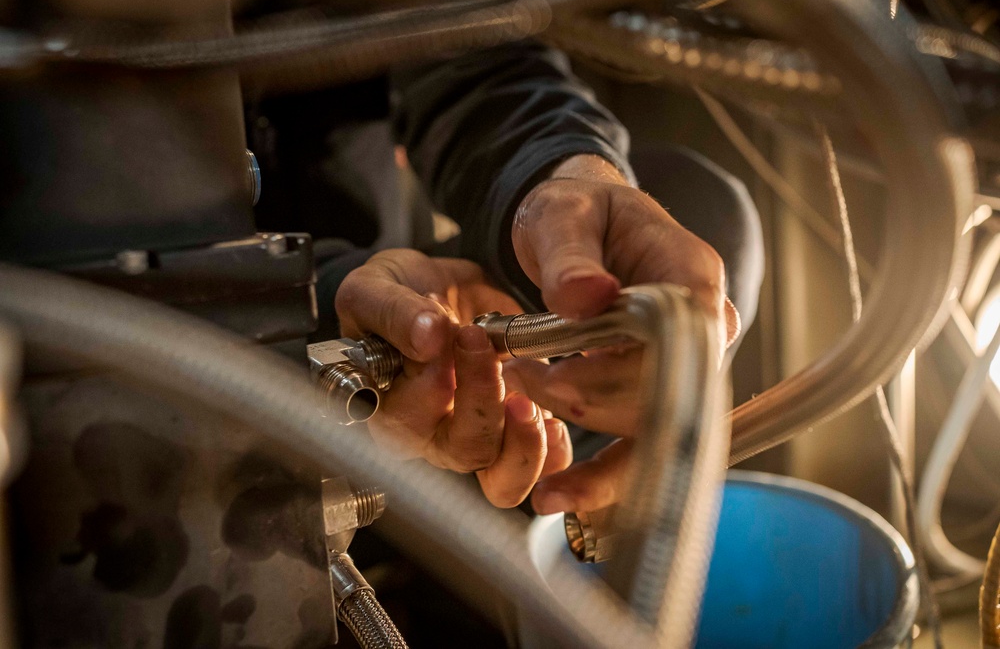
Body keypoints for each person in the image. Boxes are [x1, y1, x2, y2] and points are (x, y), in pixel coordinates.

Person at [250, 42, 752, 516]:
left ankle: (552, 523)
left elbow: (473, 57)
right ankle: (463, 555)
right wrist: (323, 316)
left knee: (703, 208)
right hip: (226, 341)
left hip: (395, 293)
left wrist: (563, 184)